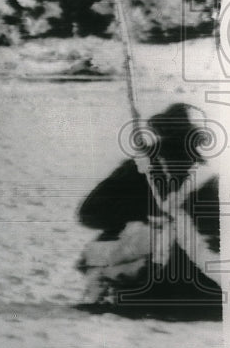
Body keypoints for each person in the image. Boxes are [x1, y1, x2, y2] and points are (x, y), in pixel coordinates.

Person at [76, 102, 221, 318]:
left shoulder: (205, 178)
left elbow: (90, 214)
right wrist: (144, 212)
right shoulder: (143, 169)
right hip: (171, 273)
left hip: (176, 274)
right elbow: (90, 213)